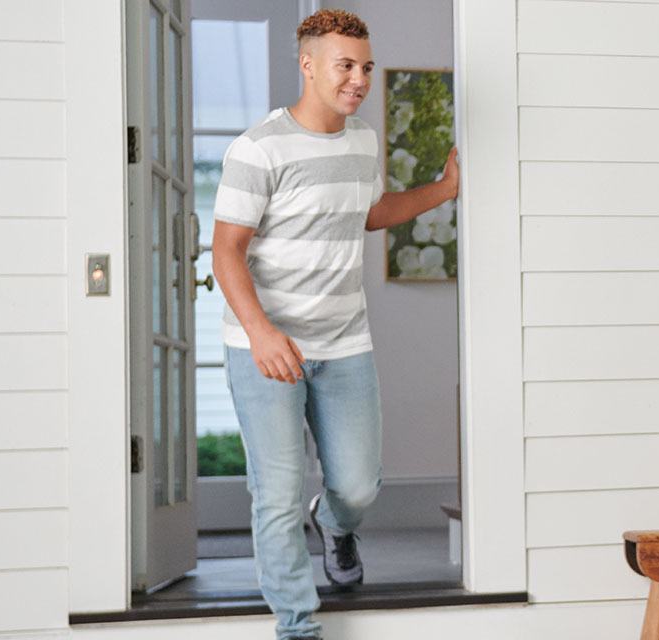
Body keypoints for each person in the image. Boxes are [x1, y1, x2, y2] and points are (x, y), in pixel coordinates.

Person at [210, 9, 459, 640]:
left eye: (366, 67)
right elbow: (225, 251)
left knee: (358, 486)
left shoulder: (362, 139)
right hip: (265, 345)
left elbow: (370, 213)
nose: (359, 79)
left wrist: (443, 188)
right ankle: (298, 627)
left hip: (345, 342)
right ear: (309, 64)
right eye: (345, 65)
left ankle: (337, 527)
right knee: (276, 492)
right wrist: (263, 334)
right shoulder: (258, 148)